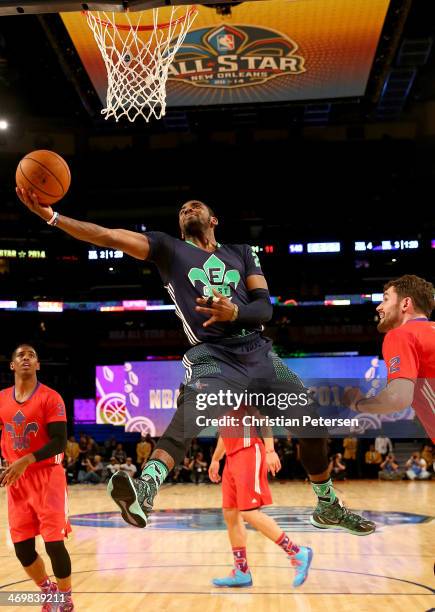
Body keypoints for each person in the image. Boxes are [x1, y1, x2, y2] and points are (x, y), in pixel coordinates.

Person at [17, 191, 375, 536]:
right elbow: (108, 235)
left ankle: (327, 505)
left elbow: (265, 308)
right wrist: (52, 216)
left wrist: (234, 311)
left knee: (311, 424)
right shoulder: (168, 249)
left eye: (196, 205)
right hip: (211, 355)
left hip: (258, 353)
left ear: (213, 219)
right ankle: (145, 488)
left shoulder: (243, 253)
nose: (188, 208)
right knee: (189, 415)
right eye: (183, 209)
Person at [0, 344, 74, 612]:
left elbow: (59, 442)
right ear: (12, 365)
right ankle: (49, 591)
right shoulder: (1, 399)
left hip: (47, 477)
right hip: (17, 481)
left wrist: (26, 459)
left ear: (38, 365)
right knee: (23, 550)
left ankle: (65, 599)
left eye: (32, 355)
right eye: (20, 355)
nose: (27, 358)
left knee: (54, 543)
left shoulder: (51, 398)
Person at [208, 415, 312, 589]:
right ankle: (241, 571)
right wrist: (216, 459)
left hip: (249, 452)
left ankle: (297, 552)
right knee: (230, 514)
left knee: (248, 511)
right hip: (232, 458)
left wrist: (270, 451)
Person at [345, 275, 435, 440]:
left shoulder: (402, 334)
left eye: (385, 300)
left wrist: (358, 404)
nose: (379, 307)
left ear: (405, 304)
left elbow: (397, 399)